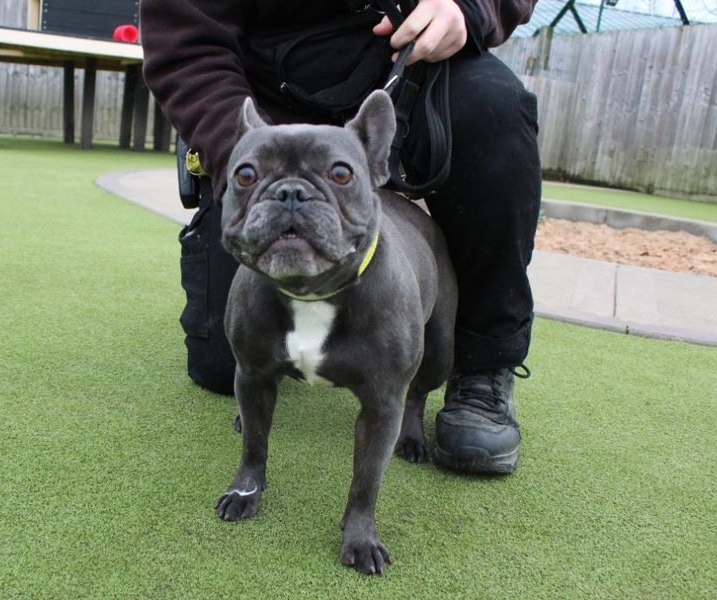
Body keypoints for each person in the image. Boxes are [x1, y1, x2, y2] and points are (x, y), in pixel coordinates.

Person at [140, 0, 540, 474]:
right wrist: (243, 159)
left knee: (497, 107)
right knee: (218, 366)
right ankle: (288, 333)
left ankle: (482, 363)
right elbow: (187, 44)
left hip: (420, 70)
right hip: (261, 90)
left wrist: (472, 7)